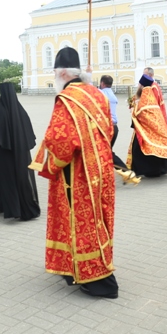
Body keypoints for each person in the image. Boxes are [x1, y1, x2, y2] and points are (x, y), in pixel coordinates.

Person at [33, 47, 118, 299]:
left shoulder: (67, 99)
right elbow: (110, 130)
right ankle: (74, 267)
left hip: (77, 174)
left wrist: (49, 166)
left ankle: (99, 280)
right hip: (101, 169)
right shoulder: (97, 94)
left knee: (84, 224)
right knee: (98, 219)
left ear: (61, 73)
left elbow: (61, 142)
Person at [0, 82, 41, 221]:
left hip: (6, 156)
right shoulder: (21, 112)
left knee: (8, 181)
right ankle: (27, 207)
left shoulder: (0, 113)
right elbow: (29, 134)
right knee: (23, 180)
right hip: (22, 154)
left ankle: (13, 209)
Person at [127, 73, 167, 177]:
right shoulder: (150, 95)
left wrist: (132, 109)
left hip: (146, 130)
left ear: (142, 86)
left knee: (139, 149)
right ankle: (161, 169)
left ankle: (147, 170)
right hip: (152, 127)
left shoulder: (145, 95)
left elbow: (141, 112)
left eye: (139, 85)